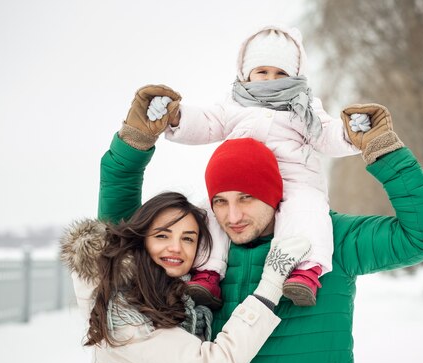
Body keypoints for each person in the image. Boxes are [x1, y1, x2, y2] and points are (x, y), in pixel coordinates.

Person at [99, 83, 423, 363]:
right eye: (220, 201)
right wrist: (134, 146)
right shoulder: (203, 250)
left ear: (272, 193)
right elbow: (120, 235)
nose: (232, 217)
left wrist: (385, 153)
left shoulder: (330, 238)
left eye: (246, 198)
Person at [145, 25, 365, 308]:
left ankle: (305, 271)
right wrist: (176, 117)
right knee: (213, 214)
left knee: (308, 211)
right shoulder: (233, 104)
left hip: (293, 180)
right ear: (246, 73)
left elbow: (326, 134)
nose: (271, 80)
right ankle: (208, 273)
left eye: (281, 73)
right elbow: (207, 123)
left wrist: (352, 133)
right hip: (242, 185)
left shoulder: (303, 106)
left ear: (295, 75)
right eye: (263, 72)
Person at [60, 191, 311, 363]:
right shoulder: (121, 310)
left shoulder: (188, 305)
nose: (176, 247)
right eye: (162, 235)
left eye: (188, 239)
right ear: (141, 240)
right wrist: (271, 282)